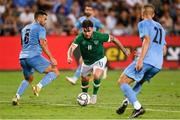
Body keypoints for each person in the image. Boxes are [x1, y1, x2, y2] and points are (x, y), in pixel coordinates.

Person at [116, 4, 167, 118]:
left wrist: (141, 59)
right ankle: (127, 101)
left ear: (141, 14)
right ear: (153, 15)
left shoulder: (143, 23)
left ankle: (138, 107)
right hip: (158, 65)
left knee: (122, 81)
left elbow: (147, 40)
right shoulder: (161, 28)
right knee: (139, 82)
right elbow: (164, 50)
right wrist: (149, 55)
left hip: (147, 61)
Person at [67, 19, 129, 104]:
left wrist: (124, 50)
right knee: (84, 79)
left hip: (99, 59)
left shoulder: (99, 36)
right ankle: (84, 95)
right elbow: (71, 48)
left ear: (92, 29)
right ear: (82, 30)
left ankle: (94, 96)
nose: (87, 33)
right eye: (85, 31)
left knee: (96, 75)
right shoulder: (79, 37)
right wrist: (69, 56)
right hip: (87, 62)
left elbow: (114, 39)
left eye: (89, 31)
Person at [12, 10, 59, 105]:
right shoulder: (40, 28)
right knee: (55, 71)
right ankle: (38, 87)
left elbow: (22, 43)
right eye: (45, 19)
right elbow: (42, 44)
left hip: (22, 57)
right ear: (39, 18)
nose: (45, 22)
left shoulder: (24, 28)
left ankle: (16, 97)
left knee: (28, 79)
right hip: (33, 56)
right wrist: (51, 57)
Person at [66, 4, 105, 85]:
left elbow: (102, 29)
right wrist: (74, 30)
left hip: (92, 43)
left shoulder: (96, 21)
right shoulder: (81, 19)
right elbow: (75, 29)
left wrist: (99, 38)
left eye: (89, 10)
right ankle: (100, 70)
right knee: (84, 61)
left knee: (83, 60)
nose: (87, 11)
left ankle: (75, 78)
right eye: (86, 9)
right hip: (84, 42)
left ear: (93, 11)